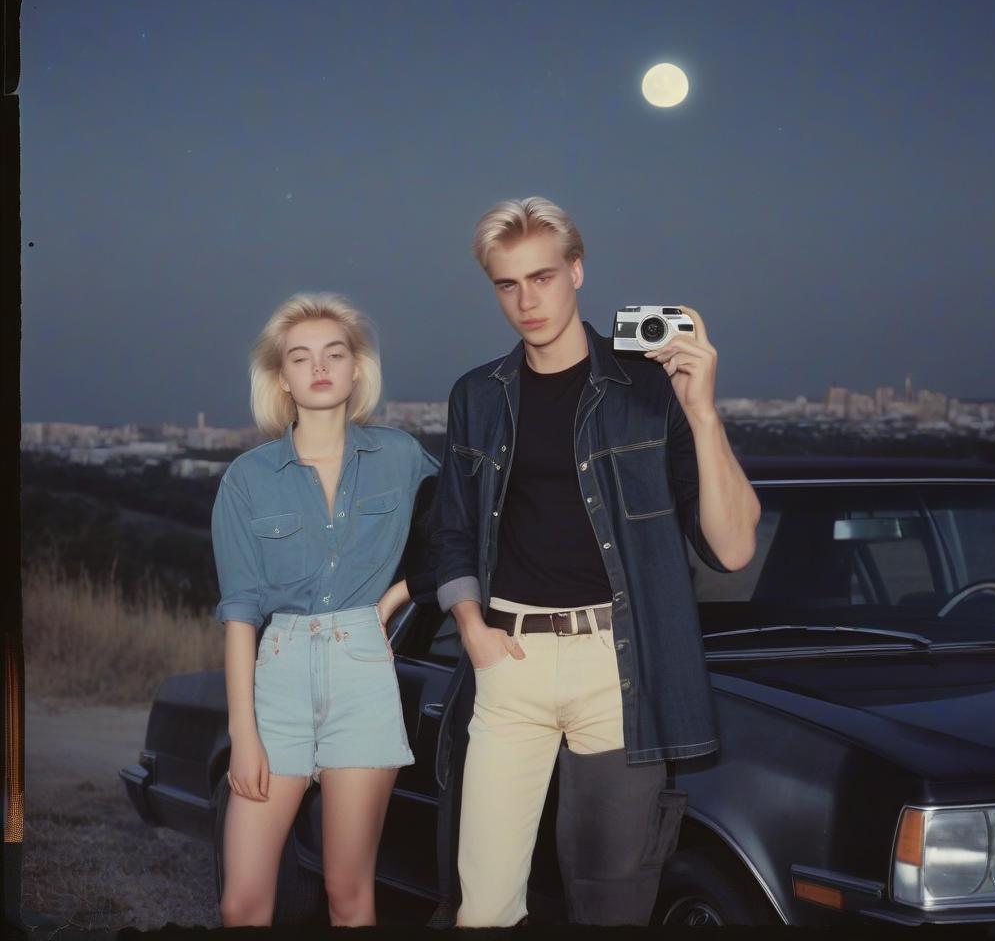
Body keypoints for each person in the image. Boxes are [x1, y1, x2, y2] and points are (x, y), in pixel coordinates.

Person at [429, 197, 761, 927]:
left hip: (618, 669)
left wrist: (702, 412)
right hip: (509, 660)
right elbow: (451, 530)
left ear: (577, 271)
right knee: (481, 909)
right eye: (507, 284)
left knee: (609, 904)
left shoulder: (647, 391)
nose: (526, 300)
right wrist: (472, 628)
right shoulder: (476, 397)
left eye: (542, 277)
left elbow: (733, 548)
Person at [211, 292, 438, 927]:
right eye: (301, 357)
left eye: (334, 353)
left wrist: (398, 596)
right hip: (276, 679)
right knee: (244, 901)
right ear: (280, 377)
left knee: (349, 893)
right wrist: (243, 736)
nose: (319, 367)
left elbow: (461, 531)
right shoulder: (248, 478)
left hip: (364, 673)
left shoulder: (400, 457)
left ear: (357, 368)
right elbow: (239, 615)